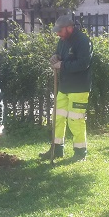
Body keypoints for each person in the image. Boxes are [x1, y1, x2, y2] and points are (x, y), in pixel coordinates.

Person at [40, 14, 93, 161]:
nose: (58, 34)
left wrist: (62, 65)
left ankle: (80, 152)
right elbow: (59, 54)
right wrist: (55, 57)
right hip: (64, 86)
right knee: (58, 116)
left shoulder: (83, 41)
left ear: (69, 28)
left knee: (75, 120)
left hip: (79, 87)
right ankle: (57, 149)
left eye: (60, 31)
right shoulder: (62, 41)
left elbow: (83, 63)